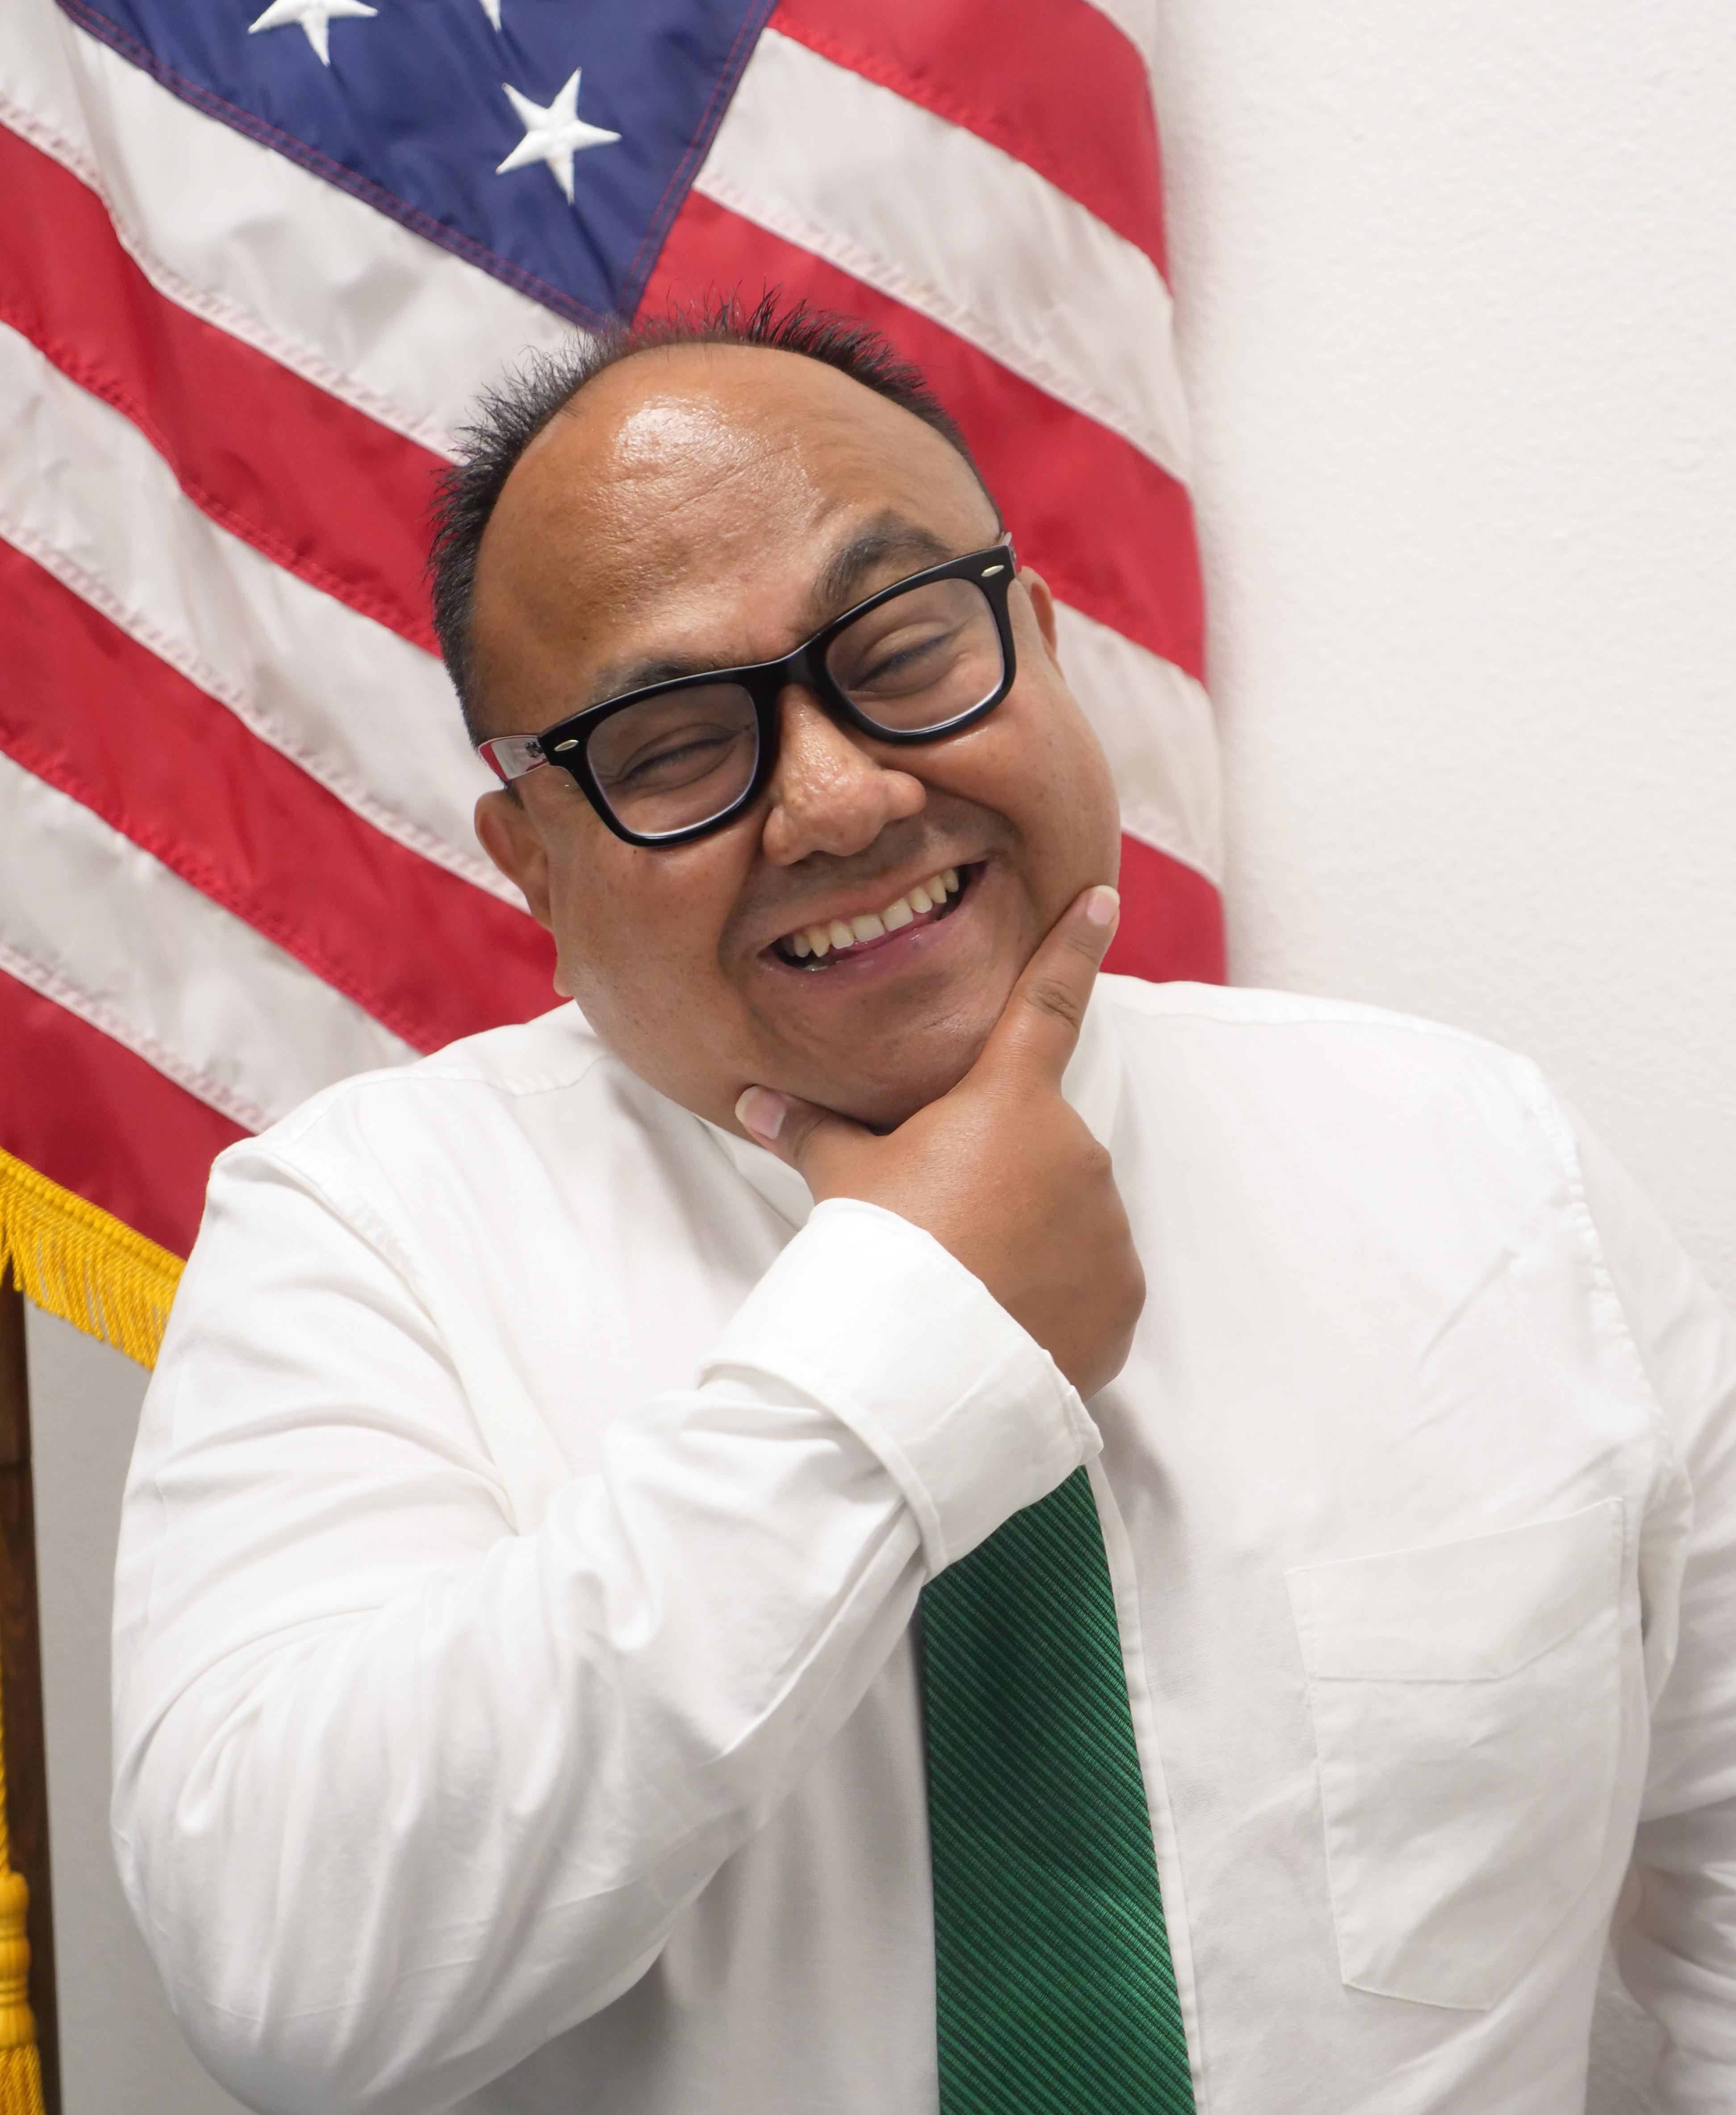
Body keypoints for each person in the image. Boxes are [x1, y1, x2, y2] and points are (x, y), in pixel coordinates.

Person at [112, 299, 1736, 2115]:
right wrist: (905, 1344)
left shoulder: (1486, 1169)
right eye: (673, 746)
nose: (841, 798)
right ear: (537, 865)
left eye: (901, 652)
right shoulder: (354, 1237)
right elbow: (286, 1979)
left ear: (1039, 645)